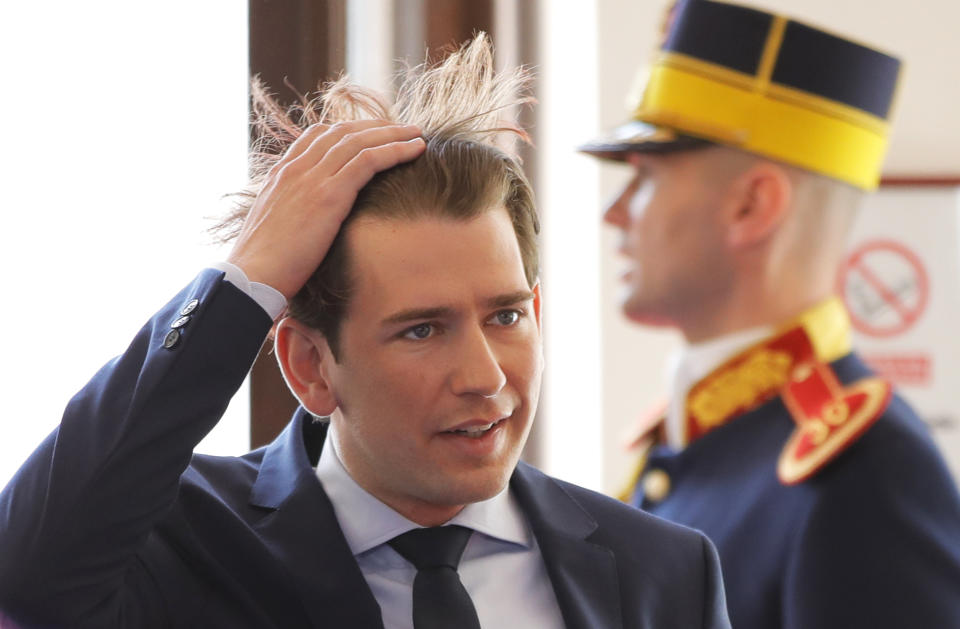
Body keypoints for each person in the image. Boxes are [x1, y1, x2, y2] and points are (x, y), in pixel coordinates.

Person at [0, 36, 731, 629]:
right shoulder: (189, 546)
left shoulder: (665, 573)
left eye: (505, 315)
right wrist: (244, 280)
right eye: (421, 330)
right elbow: (26, 572)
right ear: (310, 365)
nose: (483, 375)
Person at [579, 1, 960, 628]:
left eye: (644, 176)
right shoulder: (701, 442)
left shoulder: (863, 479)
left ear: (752, 207)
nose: (614, 212)